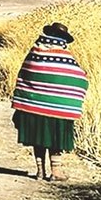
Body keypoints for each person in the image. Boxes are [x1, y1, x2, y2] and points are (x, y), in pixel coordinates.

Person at [11, 22, 89, 181]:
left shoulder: (34, 52)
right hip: (57, 106)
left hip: (33, 104)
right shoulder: (65, 55)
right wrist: (82, 78)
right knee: (56, 136)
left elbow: (26, 72)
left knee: (37, 136)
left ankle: (40, 171)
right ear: (62, 39)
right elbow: (77, 76)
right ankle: (56, 172)